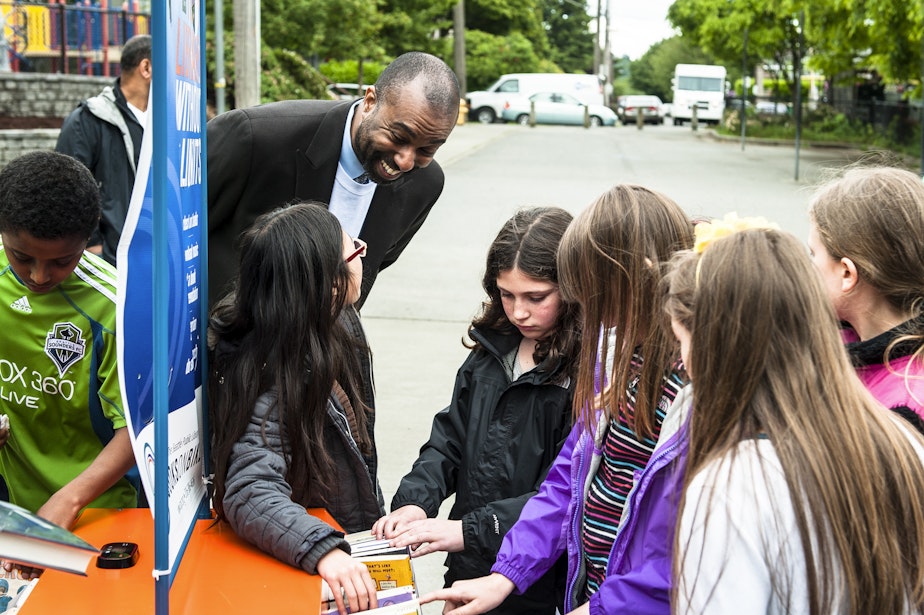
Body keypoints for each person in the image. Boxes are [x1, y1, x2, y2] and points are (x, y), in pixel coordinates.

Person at [421, 184, 694, 614]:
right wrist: (505, 575)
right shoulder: (618, 359)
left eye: (592, 290)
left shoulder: (693, 389)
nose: (583, 305)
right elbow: (568, 482)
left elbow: (679, 551)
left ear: (636, 277)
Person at [663, 225, 924, 613]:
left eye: (682, 341)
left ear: (716, 345)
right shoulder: (904, 444)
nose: (683, 363)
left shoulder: (734, 486)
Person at [372, 207, 580, 614]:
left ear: (572, 288)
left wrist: (469, 530)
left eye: (536, 297)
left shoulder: (587, 373)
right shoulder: (491, 350)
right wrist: (416, 501)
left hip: (537, 580)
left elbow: (563, 493)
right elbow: (450, 439)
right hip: (468, 563)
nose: (518, 312)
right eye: (506, 295)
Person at [208, 202, 384, 615]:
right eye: (354, 253)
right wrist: (323, 550)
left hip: (346, 529)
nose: (362, 254)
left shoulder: (335, 319)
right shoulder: (271, 374)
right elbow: (250, 490)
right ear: (328, 283)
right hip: (308, 565)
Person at [207, 51, 461, 309]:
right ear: (370, 101)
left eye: (427, 149)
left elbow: (374, 267)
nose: (406, 161)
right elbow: (174, 233)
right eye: (398, 136)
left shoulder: (425, 185)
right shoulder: (255, 138)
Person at [0, 152, 138, 540]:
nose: (39, 276)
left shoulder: (114, 306)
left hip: (96, 512)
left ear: (88, 239)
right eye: (21, 257)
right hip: (12, 506)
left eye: (62, 261)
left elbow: (136, 428)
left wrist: (72, 499)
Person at [807, 166, 924, 433]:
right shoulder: (840, 340)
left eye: (814, 255)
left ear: (847, 273)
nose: (808, 267)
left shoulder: (906, 410)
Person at [55, 34, 152, 266]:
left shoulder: (168, 124)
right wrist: (93, 245)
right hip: (110, 259)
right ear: (146, 67)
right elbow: (67, 188)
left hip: (155, 257)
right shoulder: (88, 120)